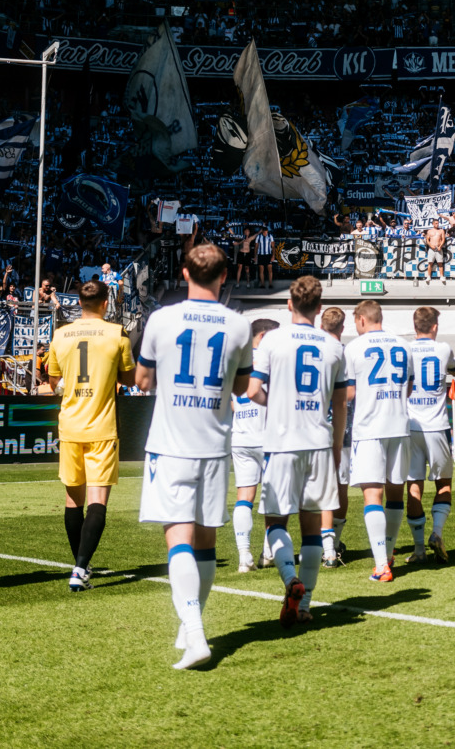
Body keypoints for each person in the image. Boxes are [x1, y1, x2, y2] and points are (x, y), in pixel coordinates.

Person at [135, 243, 255, 669]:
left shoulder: (161, 319)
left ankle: (196, 632)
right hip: (215, 446)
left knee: (178, 538)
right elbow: (242, 387)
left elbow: (143, 380)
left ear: (184, 274)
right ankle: (190, 627)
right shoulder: (239, 325)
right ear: (224, 276)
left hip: (171, 444)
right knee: (205, 541)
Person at [247, 276, 345, 627]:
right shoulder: (334, 346)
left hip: (282, 443)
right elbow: (340, 404)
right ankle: (305, 606)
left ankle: (291, 579)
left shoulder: (272, 339)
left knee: (275, 521)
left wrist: (276, 404)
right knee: (312, 528)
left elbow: (252, 390)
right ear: (319, 308)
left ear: (289, 304)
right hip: (319, 442)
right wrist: (336, 447)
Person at [43, 279, 133, 591]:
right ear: (106, 303)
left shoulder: (60, 334)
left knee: (73, 500)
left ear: (79, 303)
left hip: (70, 425)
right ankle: (80, 568)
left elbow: (53, 380)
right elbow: (129, 378)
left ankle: (80, 567)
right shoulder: (117, 333)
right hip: (102, 427)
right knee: (97, 500)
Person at [344, 300, 412, 583]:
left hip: (369, 427)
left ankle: (382, 565)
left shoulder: (354, 347)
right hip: (399, 425)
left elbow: (349, 393)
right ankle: (389, 553)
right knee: (396, 493)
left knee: (373, 495)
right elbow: (408, 388)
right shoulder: (404, 345)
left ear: (361, 319)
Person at [402, 306, 455, 565]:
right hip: (437, 426)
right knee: (443, 483)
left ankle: (418, 549)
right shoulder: (444, 349)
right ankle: (437, 533)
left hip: (410, 426)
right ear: (434, 326)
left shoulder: (405, 349)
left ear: (415, 326)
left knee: (414, 486)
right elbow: (454, 370)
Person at [229, 318, 277, 574]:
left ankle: (243, 556)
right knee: (273, 498)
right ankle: (268, 553)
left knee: (244, 497)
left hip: (241, 436)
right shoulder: (270, 358)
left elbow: (231, 399)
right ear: (263, 336)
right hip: (268, 437)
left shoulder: (236, 360)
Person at [317, 304, 352, 568]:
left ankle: (271, 548)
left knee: (312, 489)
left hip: (312, 426)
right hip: (340, 427)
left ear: (321, 325)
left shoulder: (313, 347)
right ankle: (332, 546)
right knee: (339, 487)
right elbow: (348, 395)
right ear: (342, 327)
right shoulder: (343, 352)